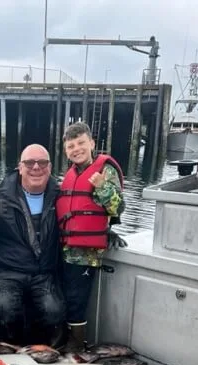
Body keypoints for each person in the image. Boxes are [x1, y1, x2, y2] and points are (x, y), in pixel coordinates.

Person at [0, 144, 66, 346]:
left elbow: (81, 218)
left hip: (44, 272)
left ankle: (45, 353)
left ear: (50, 167)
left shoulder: (60, 195)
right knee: (3, 309)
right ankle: (9, 352)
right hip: (6, 270)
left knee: (54, 312)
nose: (36, 167)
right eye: (29, 163)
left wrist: (107, 230)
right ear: (19, 167)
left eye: (42, 162)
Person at [56, 122, 127, 351]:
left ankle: (76, 346)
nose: (76, 149)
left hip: (86, 253)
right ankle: (62, 339)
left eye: (81, 143)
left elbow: (118, 208)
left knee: (77, 300)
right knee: (63, 295)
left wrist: (102, 186)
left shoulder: (105, 170)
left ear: (92, 143)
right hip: (65, 246)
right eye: (70, 146)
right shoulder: (70, 174)